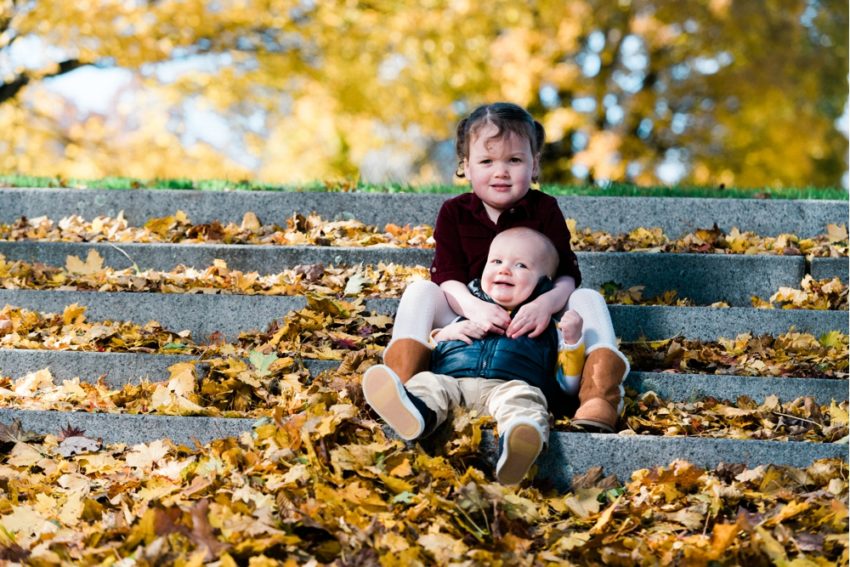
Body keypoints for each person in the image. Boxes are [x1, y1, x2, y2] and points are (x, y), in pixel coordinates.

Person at [366, 101, 629, 435]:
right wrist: (475, 309)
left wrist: (543, 305)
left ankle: (600, 397)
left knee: (588, 298)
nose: (500, 171)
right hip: (467, 315)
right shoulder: (454, 212)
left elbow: (567, 275)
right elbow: (447, 277)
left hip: (533, 324)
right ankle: (405, 390)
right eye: (487, 161)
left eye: (514, 160)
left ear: (534, 166)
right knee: (421, 290)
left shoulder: (545, 209)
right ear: (466, 167)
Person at [365, 228, 601, 485]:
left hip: (507, 387)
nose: (504, 270)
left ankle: (519, 441)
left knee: (524, 400)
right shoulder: (467, 310)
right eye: (496, 262)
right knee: (428, 384)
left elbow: (567, 385)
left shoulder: (546, 325)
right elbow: (433, 351)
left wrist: (572, 340)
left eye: (521, 265)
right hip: (454, 383)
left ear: (544, 282)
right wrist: (446, 333)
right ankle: (414, 413)